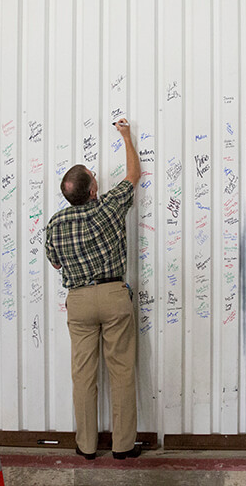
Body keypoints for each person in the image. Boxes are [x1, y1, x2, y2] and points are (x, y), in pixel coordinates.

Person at [44, 118, 142, 460]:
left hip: (79, 301)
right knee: (122, 372)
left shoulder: (55, 223)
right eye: (94, 176)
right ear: (92, 190)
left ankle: (86, 446)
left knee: (83, 376)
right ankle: (123, 446)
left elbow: (55, 263)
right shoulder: (109, 207)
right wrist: (126, 137)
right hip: (113, 295)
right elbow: (133, 175)